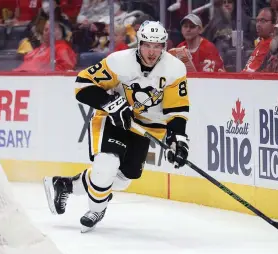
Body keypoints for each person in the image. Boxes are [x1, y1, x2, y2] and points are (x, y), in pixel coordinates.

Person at [43, 21, 190, 233]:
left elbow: (177, 109)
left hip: (144, 128)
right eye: (148, 45)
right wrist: (112, 104)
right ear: (138, 44)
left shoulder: (175, 69)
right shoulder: (119, 62)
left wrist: (178, 140)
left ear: (164, 47)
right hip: (113, 120)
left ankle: (64, 185)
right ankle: (96, 210)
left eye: (158, 46)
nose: (152, 51)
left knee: (123, 180)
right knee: (106, 164)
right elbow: (83, 84)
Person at [243, 8, 276, 72]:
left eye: (263, 21)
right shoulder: (261, 41)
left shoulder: (274, 46)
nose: (258, 24)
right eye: (257, 21)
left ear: (274, 25)